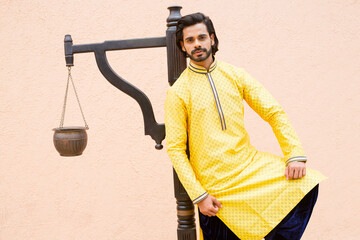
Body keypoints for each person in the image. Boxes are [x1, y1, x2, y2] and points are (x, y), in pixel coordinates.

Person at [164, 12, 326, 240]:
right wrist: (199, 195)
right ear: (182, 45)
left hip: (249, 169)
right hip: (216, 189)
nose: (197, 44)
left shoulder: (235, 75)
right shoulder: (178, 92)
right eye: (190, 40)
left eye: (201, 37)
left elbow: (273, 112)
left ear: (212, 38)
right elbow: (175, 149)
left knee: (306, 184)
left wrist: (294, 154)